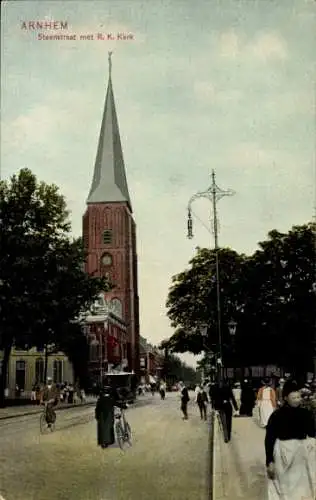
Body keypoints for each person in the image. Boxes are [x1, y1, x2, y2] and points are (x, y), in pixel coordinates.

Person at [265, 380, 316, 500]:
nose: (297, 400)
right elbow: (269, 439)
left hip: (300, 455)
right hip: (282, 454)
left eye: (298, 397)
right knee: (283, 487)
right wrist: (269, 461)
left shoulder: (306, 414)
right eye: (294, 397)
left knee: (301, 488)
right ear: (285, 398)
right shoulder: (277, 415)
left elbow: (312, 433)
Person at [95, 379, 126, 449]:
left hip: (101, 417)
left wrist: (97, 417)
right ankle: (109, 441)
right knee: (109, 428)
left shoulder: (100, 399)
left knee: (102, 430)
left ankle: (103, 443)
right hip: (109, 416)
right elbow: (118, 404)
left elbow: (97, 409)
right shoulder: (110, 399)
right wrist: (125, 406)